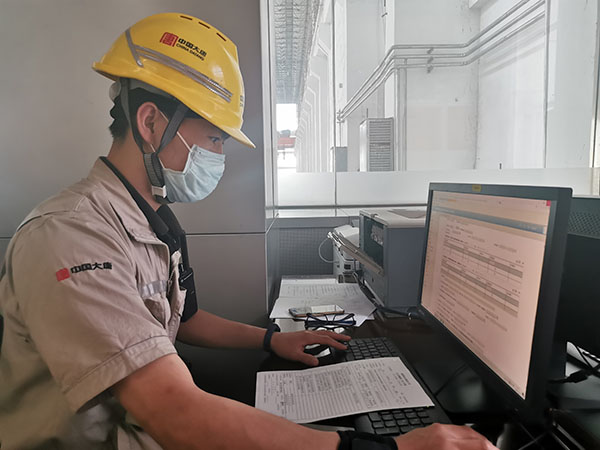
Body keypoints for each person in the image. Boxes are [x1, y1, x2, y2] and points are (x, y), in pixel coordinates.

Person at [0, 12, 496, 450]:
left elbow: (183, 320)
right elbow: (177, 415)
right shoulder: (71, 237)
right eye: (214, 138)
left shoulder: (152, 219)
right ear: (151, 123)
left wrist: (271, 340)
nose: (219, 155)